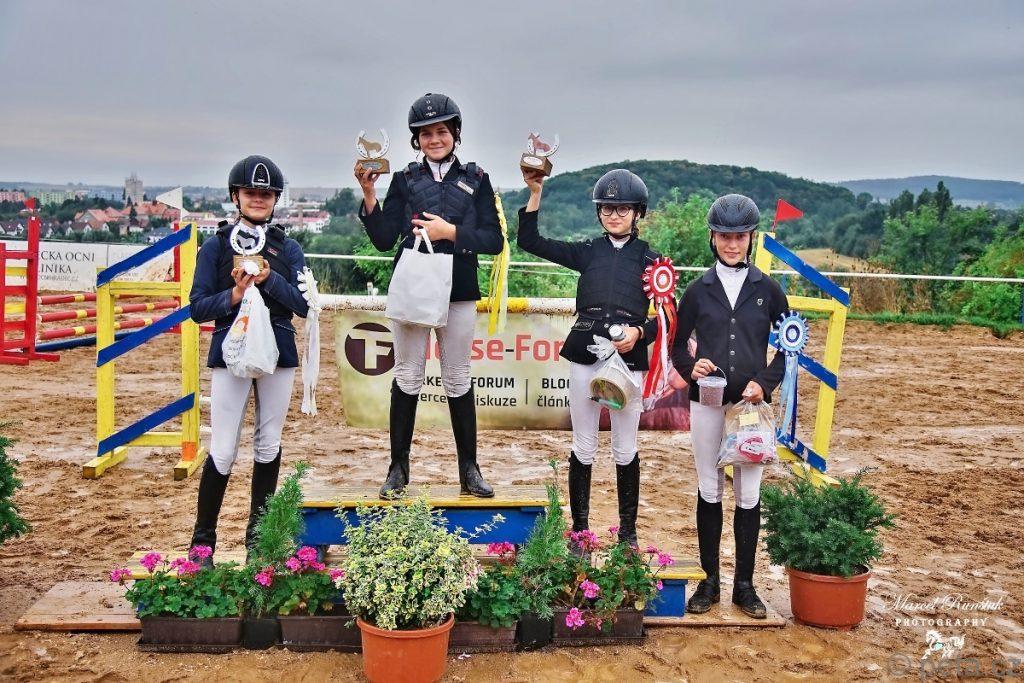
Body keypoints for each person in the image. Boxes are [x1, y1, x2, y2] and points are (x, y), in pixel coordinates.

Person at [354, 93, 505, 499]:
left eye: (441, 131)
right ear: (416, 139)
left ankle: (469, 469)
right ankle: (397, 468)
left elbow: (493, 239)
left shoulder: (478, 178)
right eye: (425, 134)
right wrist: (369, 195)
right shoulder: (404, 180)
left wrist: (450, 233)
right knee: (408, 375)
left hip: (459, 288)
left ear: (455, 133)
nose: (434, 139)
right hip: (415, 285)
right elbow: (384, 238)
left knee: (457, 377)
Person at [517, 167, 661, 547]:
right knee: (584, 444)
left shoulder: (652, 260)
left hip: (627, 357)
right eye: (607, 208)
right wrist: (535, 193)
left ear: (637, 212)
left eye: (623, 208)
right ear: (599, 212)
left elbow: (667, 316)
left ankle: (627, 532)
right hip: (585, 352)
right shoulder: (587, 251)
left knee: (625, 446)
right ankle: (580, 531)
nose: (614, 215)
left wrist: (640, 333)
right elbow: (530, 241)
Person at [671, 193, 789, 619]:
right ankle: (709, 582)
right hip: (707, 402)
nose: (732, 244)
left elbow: (789, 350)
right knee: (709, 487)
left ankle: (745, 585)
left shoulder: (768, 290)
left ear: (751, 237)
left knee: (748, 493)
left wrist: (765, 382)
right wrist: (692, 367)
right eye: (725, 236)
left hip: (750, 409)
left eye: (739, 236)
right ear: (713, 237)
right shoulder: (697, 291)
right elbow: (676, 347)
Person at [188, 155, 310, 564]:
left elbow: (302, 305)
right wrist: (235, 294)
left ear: (275, 199)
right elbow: (197, 307)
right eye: (251, 192)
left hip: (278, 352)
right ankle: (202, 543)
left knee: (268, 444)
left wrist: (269, 278)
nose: (258, 199)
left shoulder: (288, 248)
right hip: (231, 351)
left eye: (266, 194)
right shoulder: (216, 246)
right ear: (236, 196)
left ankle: (259, 544)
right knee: (223, 449)